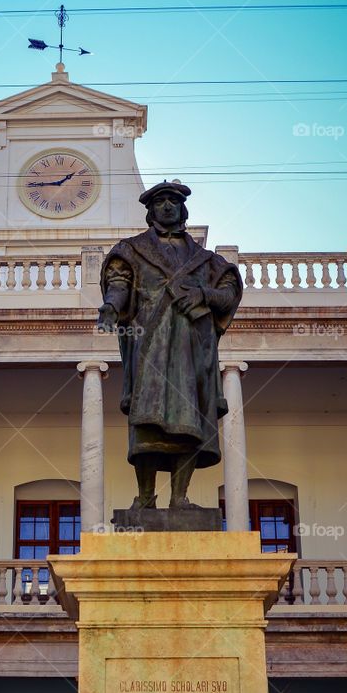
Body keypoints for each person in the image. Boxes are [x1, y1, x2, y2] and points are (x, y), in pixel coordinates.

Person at [99, 181, 242, 509]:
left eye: (173, 201)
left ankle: (180, 498)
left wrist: (204, 294)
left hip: (192, 347)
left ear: (182, 208)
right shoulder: (132, 250)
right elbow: (120, 282)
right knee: (147, 420)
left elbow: (229, 291)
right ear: (150, 212)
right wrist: (111, 304)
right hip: (150, 343)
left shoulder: (205, 260)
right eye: (161, 201)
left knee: (188, 422)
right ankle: (145, 497)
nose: (167, 206)